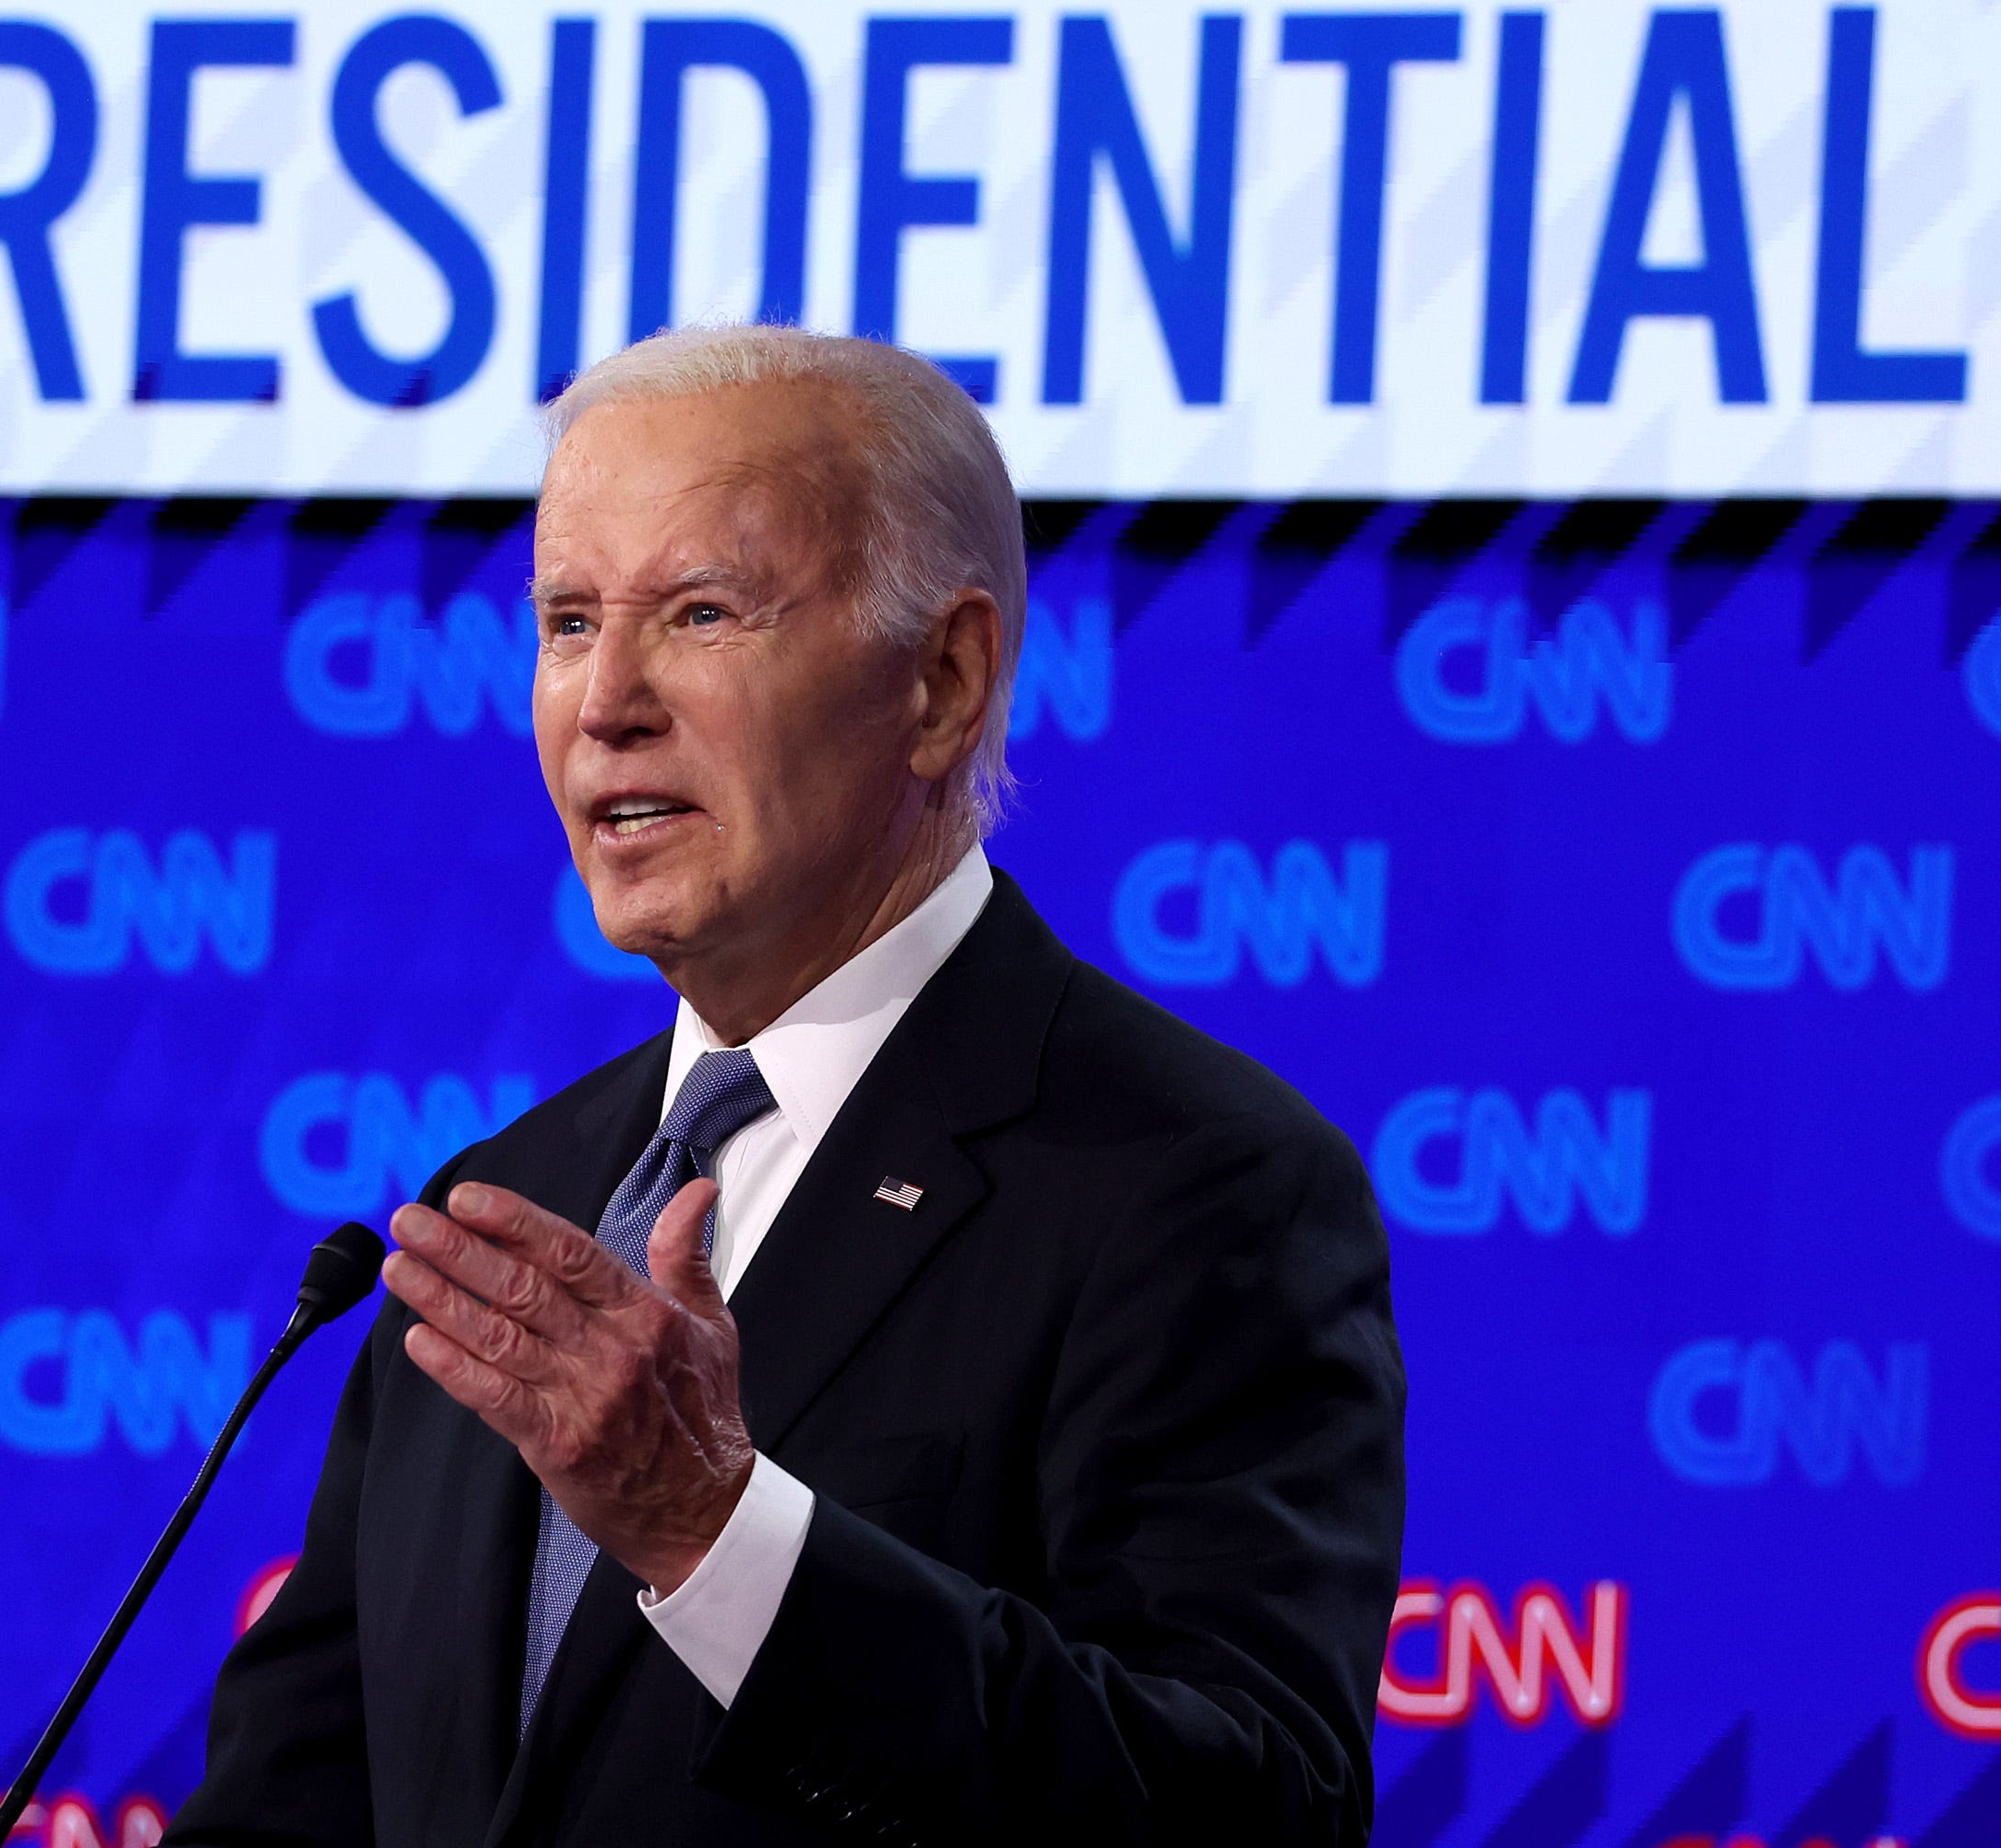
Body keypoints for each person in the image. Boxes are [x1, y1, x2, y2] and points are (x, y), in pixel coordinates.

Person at [166, 326, 1405, 1847]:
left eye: (701, 613)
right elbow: (298, 1802)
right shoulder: (506, 1209)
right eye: (568, 621)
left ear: (944, 681)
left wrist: (718, 1535)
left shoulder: (1195, 1184)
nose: (606, 701)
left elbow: (1248, 1815)